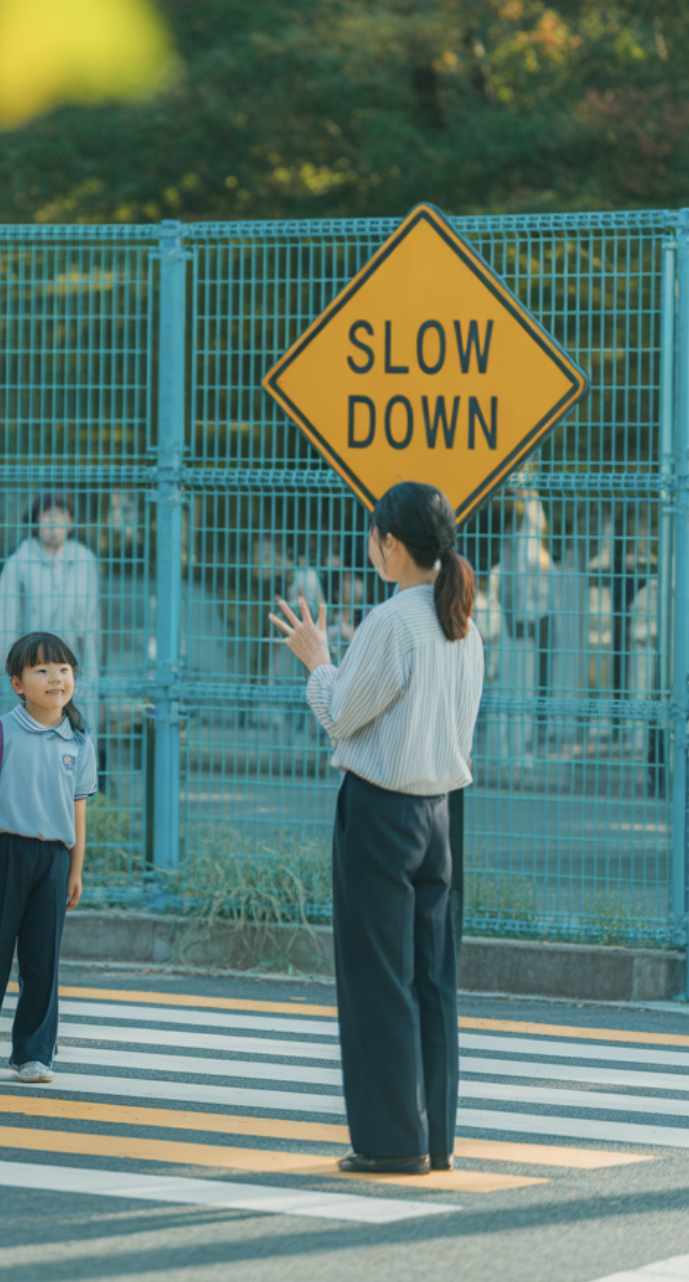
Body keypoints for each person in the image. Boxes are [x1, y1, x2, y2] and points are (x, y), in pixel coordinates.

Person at [270, 482, 484, 1176]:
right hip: (443, 812)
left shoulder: (393, 620)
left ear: (390, 544)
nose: (372, 549)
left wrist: (316, 657)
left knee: (377, 978)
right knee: (432, 977)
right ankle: (436, 1138)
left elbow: (340, 713)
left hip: (382, 809)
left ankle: (393, 1143)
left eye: (374, 538)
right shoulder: (461, 621)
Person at [0, 631, 96, 1085]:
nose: (55, 679)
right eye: (42, 670)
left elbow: (78, 812)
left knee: (42, 961)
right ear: (17, 683)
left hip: (53, 861)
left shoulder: (80, 744)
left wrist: (76, 869)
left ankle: (34, 1054)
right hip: (0, 854)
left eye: (64, 669)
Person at [0, 493, 101, 734]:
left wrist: (91, 671)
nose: (54, 524)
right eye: (48, 517)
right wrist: (11, 665)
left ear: (71, 522)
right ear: (36, 521)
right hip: (34, 664)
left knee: (79, 731)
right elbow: (6, 619)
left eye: (61, 516)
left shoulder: (85, 560)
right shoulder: (19, 562)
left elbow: (92, 621)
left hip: (75, 664)